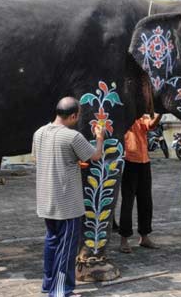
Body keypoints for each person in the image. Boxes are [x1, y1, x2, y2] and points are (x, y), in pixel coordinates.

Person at [33, 97, 105, 297]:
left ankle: (48, 284)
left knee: (51, 242)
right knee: (66, 248)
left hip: (46, 199)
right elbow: (95, 156)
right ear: (73, 115)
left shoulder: (39, 133)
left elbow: (36, 158)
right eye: (78, 116)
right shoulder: (72, 136)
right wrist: (99, 137)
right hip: (67, 203)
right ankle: (60, 290)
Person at [119, 113, 162, 253]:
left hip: (144, 161)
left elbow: (151, 125)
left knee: (146, 201)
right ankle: (124, 239)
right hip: (128, 161)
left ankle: (144, 236)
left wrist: (160, 113)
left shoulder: (142, 116)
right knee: (127, 202)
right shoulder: (124, 115)